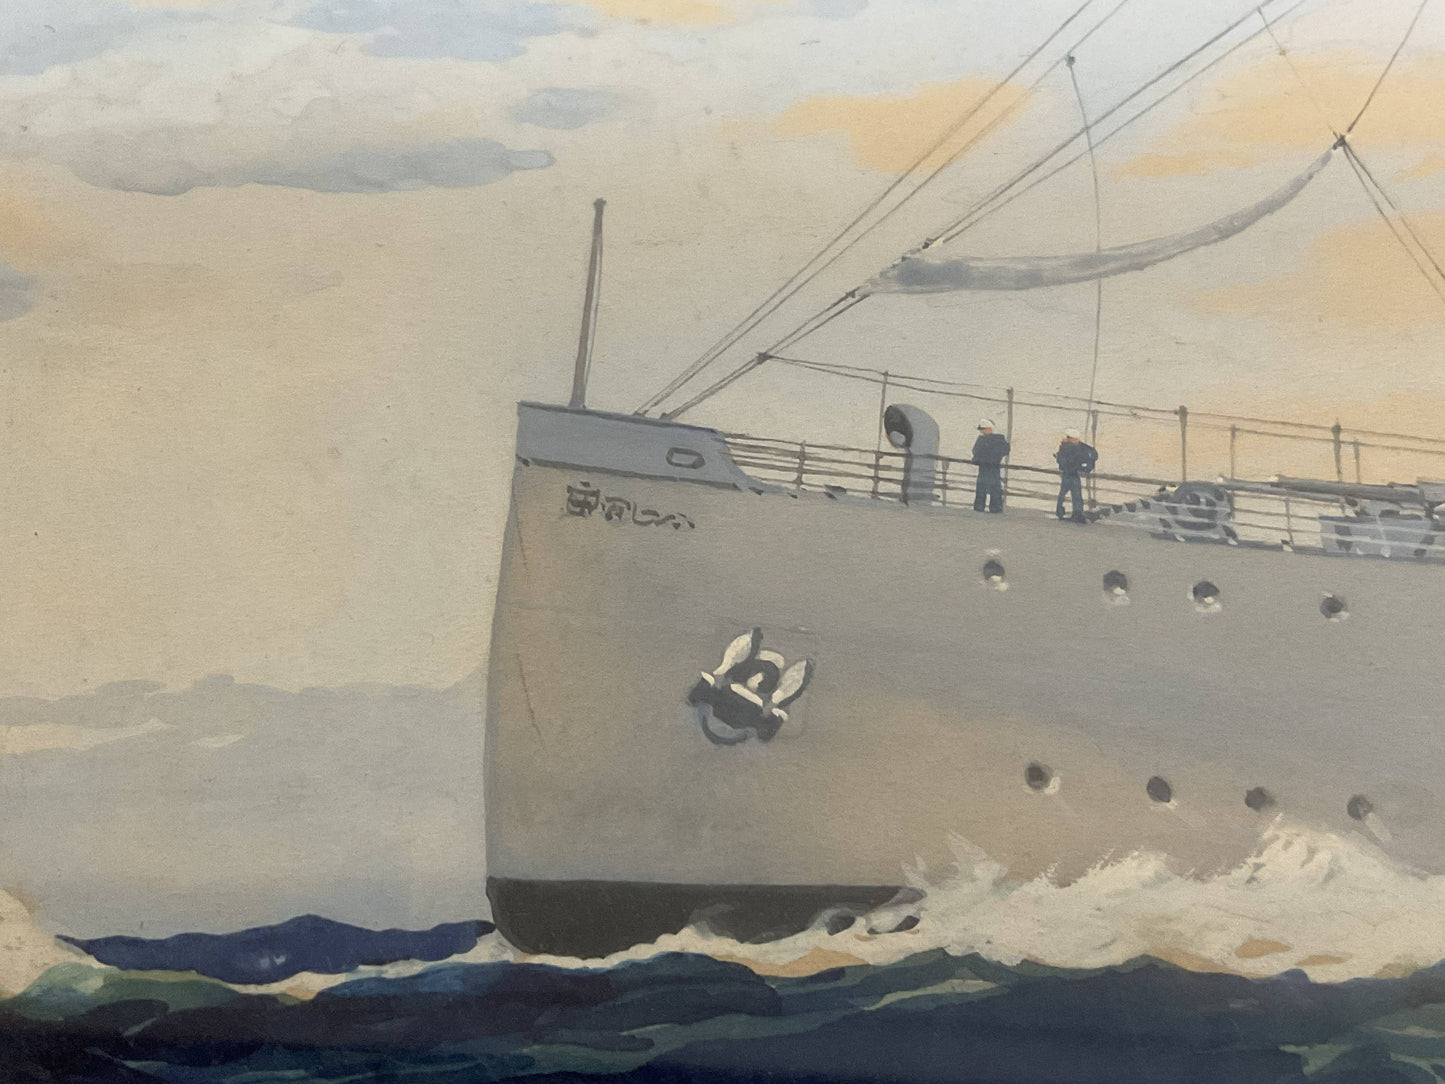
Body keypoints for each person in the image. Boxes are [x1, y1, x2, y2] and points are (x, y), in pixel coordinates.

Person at [1054, 427, 1098, 523]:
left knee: (1066, 494)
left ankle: (1064, 512)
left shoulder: (1068, 446)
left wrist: (1086, 465)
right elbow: (1090, 454)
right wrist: (1086, 466)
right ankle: (1075, 513)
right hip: (1071, 474)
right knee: (1074, 494)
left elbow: (1091, 453)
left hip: (1069, 473)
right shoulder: (1071, 447)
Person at [971, 418, 1009, 512]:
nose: (982, 432)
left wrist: (982, 458)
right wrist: (996, 457)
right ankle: (995, 508)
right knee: (994, 489)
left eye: (983, 429)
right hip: (993, 468)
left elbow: (975, 451)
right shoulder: (999, 439)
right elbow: (1006, 450)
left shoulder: (982, 440)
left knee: (983, 489)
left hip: (985, 467)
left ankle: (980, 508)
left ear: (989, 429)